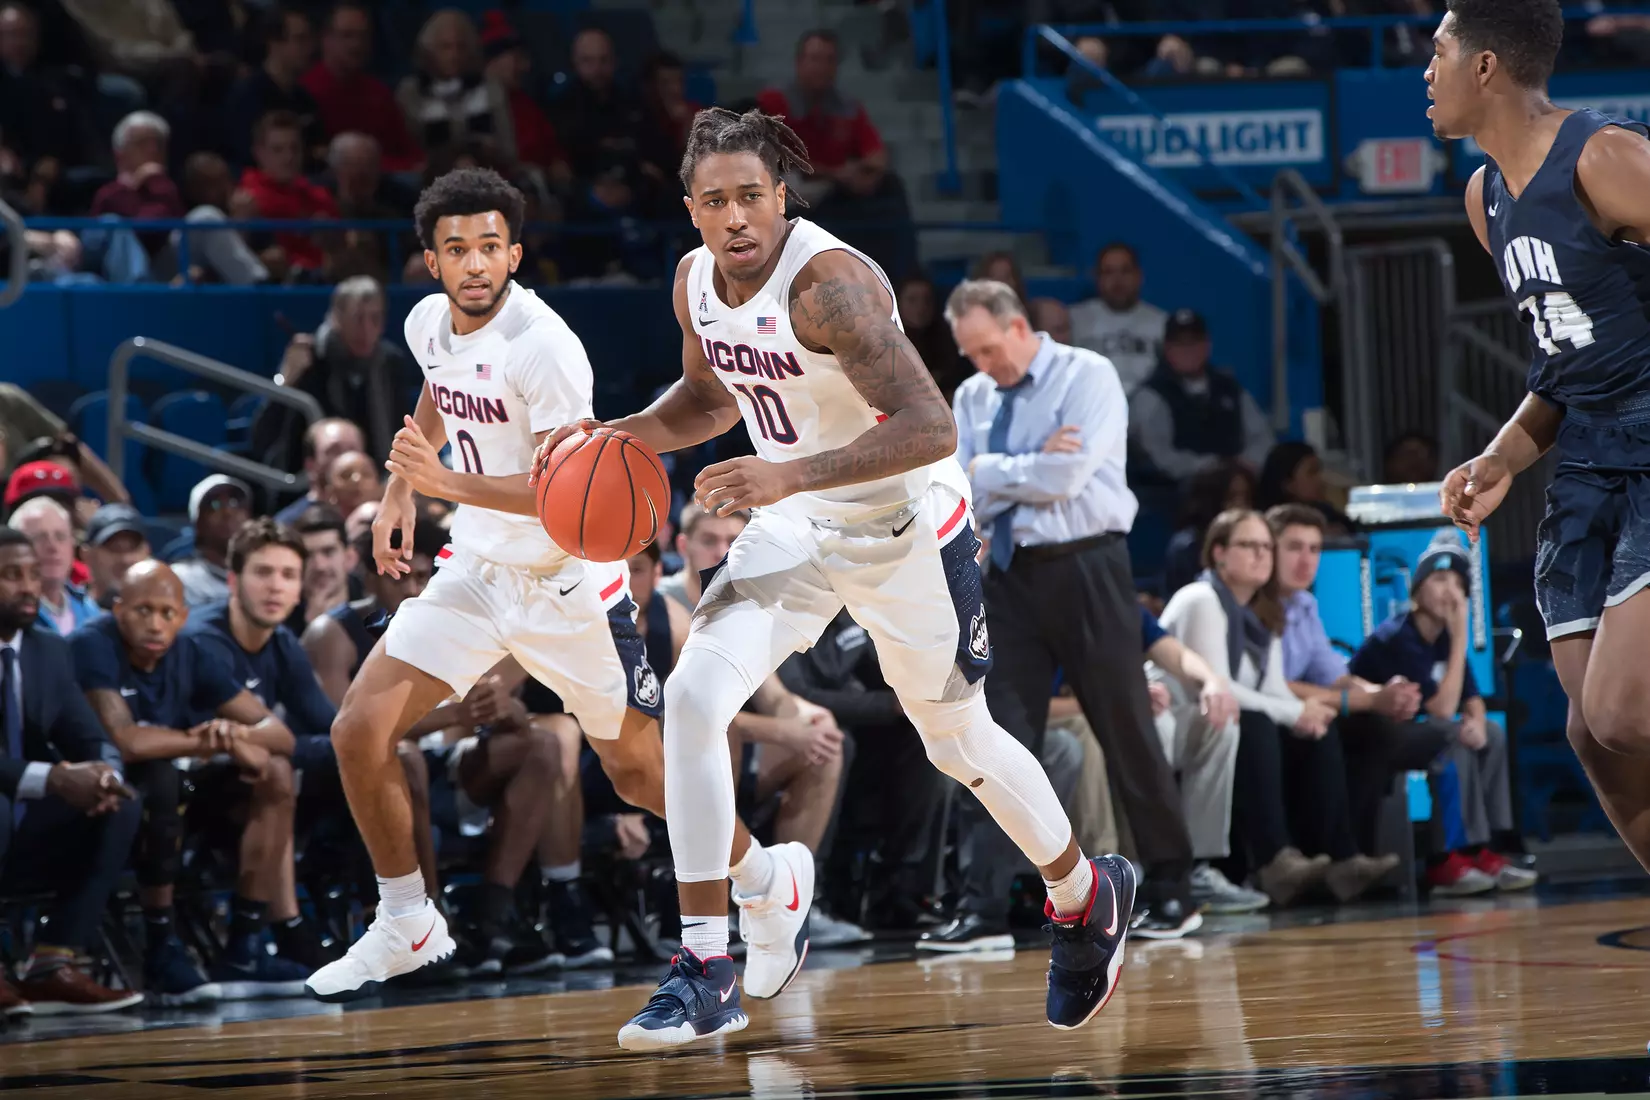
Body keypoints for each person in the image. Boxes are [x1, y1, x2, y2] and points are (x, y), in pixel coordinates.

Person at [530, 108, 1133, 1048]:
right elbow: (708, 396)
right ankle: (709, 961)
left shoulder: (829, 284)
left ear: (781, 197)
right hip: (797, 523)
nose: (735, 218)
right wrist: (613, 436)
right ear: (689, 207)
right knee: (691, 699)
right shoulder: (694, 280)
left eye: (751, 198)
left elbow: (933, 425)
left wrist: (787, 471)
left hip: (904, 525)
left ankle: (1086, 894)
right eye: (715, 200)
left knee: (957, 742)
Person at [304, 167, 767, 1003]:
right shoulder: (424, 325)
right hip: (477, 574)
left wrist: (442, 487)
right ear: (432, 262)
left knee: (635, 773)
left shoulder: (545, 348)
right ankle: (407, 917)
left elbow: (565, 500)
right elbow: (439, 394)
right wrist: (400, 490)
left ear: (514, 253)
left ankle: (764, 878)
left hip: (566, 583)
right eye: (456, 250)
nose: (475, 264)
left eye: (489, 248)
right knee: (358, 730)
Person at [1426, 0, 1650, 875]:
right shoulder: (1485, 198)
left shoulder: (1605, 155)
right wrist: (1503, 455)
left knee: (1627, 708)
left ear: (1486, 66)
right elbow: (1563, 363)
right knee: (1593, 731)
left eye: (1438, 51)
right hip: (1589, 461)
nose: (1426, 72)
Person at [944, 278, 1200, 941]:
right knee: (991, 739)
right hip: (1005, 576)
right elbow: (960, 489)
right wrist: (1017, 467)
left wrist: (993, 471)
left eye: (990, 349)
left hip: (1089, 566)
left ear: (1020, 327)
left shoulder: (1088, 374)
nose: (982, 366)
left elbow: (1070, 476)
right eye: (970, 354)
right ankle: (982, 906)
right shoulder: (972, 395)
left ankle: (1174, 889)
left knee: (1127, 729)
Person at [71, 560, 310, 1005]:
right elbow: (127, 741)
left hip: (183, 799)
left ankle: (245, 944)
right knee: (159, 778)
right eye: (144, 610)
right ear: (118, 610)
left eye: (167, 612)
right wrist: (203, 744)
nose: (156, 623)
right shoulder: (92, 645)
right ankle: (161, 944)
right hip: (103, 799)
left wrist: (233, 738)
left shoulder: (190, 650)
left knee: (274, 772)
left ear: (183, 616)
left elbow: (279, 735)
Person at [1159, 510, 1398, 906]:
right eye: (1248, 546)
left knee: (1317, 732)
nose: (1261, 555)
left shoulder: (1262, 610)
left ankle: (1340, 858)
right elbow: (1223, 685)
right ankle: (1272, 862)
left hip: (1218, 723)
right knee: (1256, 723)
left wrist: (1307, 713)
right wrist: (1295, 711)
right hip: (1176, 721)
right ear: (1218, 554)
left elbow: (1270, 687)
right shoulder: (1201, 599)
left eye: (1266, 547)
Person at [183, 518, 340, 967]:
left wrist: (293, 747)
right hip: (191, 790)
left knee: (379, 765)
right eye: (263, 572)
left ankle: (393, 921)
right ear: (233, 579)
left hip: (260, 780)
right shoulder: (203, 639)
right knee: (276, 772)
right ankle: (249, 940)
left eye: (288, 576)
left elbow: (330, 734)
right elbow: (215, 742)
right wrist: (290, 748)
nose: (276, 587)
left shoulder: (283, 643)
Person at [0, 527, 144, 1016]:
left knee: (121, 804)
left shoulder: (46, 649)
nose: (27, 586)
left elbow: (88, 734)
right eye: (10, 575)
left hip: (26, 826)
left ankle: (53, 962)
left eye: (32, 574)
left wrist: (104, 772)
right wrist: (55, 777)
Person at [1348, 532, 1537, 893]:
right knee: (1450, 735)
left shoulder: (1445, 638)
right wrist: (1462, 634)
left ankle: (1488, 847)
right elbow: (1441, 709)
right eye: (1439, 580)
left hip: (1420, 732)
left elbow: (1471, 698)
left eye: (1457, 583)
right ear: (1417, 591)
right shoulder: (1397, 637)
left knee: (1490, 734)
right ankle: (1445, 858)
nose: (1450, 592)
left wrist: (1479, 722)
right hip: (1374, 736)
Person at [1269, 503, 1432, 860]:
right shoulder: (1255, 604)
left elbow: (1335, 676)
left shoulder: (1304, 604)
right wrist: (1369, 700)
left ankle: (1358, 854)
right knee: (1330, 725)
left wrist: (1385, 692)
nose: (1306, 560)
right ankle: (1332, 854)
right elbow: (1274, 684)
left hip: (1302, 711)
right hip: (1267, 716)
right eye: (1294, 548)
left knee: (1376, 730)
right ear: (1270, 550)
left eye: (1314, 549)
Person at [1137, 606, 1262, 914]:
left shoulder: (1123, 604)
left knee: (1219, 725)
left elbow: (1176, 654)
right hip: (1096, 715)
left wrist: (1212, 681)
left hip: (1138, 708)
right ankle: (1143, 869)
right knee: (1157, 726)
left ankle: (1195, 868)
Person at [257, 279, 415, 470]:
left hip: (376, 479)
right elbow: (262, 436)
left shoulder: (390, 362)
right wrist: (286, 378)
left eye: (375, 318)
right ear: (336, 318)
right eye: (357, 318)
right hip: (315, 482)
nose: (366, 329)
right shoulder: (310, 360)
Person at [1129, 310, 1275, 484]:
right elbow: (1160, 457)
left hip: (1235, 484)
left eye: (1194, 342)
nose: (1188, 350)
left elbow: (1262, 438)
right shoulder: (1152, 394)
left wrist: (1243, 465)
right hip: (1174, 494)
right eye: (1180, 344)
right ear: (1167, 348)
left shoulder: (1229, 388)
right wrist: (1212, 467)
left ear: (1207, 345)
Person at [301, 2, 422, 172]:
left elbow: (410, 155)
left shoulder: (379, 94)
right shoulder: (306, 92)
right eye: (347, 35)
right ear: (325, 39)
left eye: (363, 36)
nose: (356, 45)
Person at [396, 9, 516, 165]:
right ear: (429, 51)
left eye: (461, 47)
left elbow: (509, 151)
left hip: (486, 171)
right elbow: (408, 149)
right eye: (446, 47)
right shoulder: (410, 91)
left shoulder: (490, 89)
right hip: (430, 176)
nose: (454, 56)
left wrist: (489, 150)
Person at [239, 109, 339, 275]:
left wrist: (332, 238)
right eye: (278, 150)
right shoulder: (247, 197)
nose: (289, 157)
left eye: (295, 148)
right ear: (259, 153)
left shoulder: (319, 196)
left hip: (321, 280)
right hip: (274, 285)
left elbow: (339, 247)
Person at [223, 4, 323, 170]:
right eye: (300, 39)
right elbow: (245, 157)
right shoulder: (247, 96)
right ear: (274, 43)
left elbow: (320, 149)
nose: (310, 48)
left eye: (310, 39)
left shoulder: (304, 99)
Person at [1067, 243, 1167, 393]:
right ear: (1097, 278)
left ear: (1138, 276)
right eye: (1108, 272)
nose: (1117, 280)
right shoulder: (1073, 319)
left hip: (1146, 406)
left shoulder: (1162, 322)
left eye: (1125, 271)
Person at [8, 497, 98, 635]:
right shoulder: (9, 613)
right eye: (40, 537)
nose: (53, 547)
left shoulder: (91, 611)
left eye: (60, 536)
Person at [172, 475, 252, 609]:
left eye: (235, 502)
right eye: (215, 505)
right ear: (198, 524)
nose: (228, 511)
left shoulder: (265, 574)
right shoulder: (180, 578)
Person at [272, 418, 367, 527]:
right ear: (310, 465)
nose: (345, 459)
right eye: (334, 451)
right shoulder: (289, 525)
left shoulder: (380, 514)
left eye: (352, 450)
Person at [1255, 441, 1355, 536]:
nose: (1320, 479)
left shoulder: (1329, 516)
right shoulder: (1262, 525)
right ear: (1288, 484)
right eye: (1312, 472)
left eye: (1319, 471)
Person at [81, 503, 151, 609]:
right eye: (114, 549)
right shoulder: (71, 614)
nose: (125, 560)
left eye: (133, 548)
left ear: (147, 552)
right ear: (87, 555)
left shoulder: (167, 615)